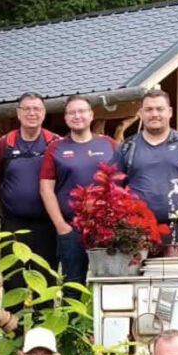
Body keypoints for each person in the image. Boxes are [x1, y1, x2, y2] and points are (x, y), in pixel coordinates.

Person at [41, 95, 119, 286]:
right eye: (71, 112)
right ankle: (74, 317)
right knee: (73, 286)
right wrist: (61, 226)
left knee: (110, 285)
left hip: (105, 228)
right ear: (66, 118)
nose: (77, 116)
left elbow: (122, 182)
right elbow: (46, 188)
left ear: (91, 115)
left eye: (82, 111)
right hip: (71, 229)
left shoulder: (109, 144)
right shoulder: (56, 148)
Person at [0, 93, 61, 294]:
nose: (32, 113)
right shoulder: (5, 144)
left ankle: (44, 325)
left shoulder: (55, 143)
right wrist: (3, 212)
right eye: (27, 109)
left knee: (45, 281)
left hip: (47, 225)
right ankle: (14, 325)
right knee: (13, 280)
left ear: (44, 113)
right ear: (18, 113)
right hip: (13, 225)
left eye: (37, 109)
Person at [117, 89, 178, 235]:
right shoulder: (127, 147)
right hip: (135, 231)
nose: (154, 114)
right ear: (141, 113)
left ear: (170, 112)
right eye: (149, 110)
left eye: (160, 109)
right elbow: (115, 189)